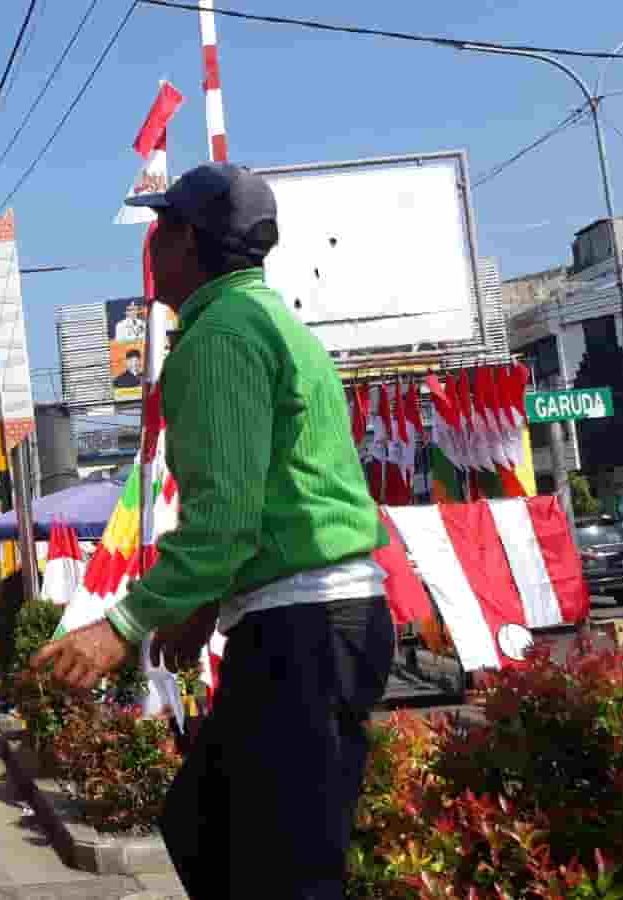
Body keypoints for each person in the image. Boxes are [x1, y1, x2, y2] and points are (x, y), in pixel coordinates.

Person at [33, 163, 395, 900]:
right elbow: (258, 501)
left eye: (161, 229)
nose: (152, 247)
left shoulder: (220, 337)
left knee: (277, 869)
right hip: (303, 618)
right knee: (206, 827)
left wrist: (118, 629)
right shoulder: (257, 319)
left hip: (309, 626)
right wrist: (200, 607)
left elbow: (225, 520)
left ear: (188, 242)